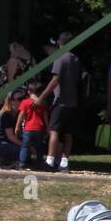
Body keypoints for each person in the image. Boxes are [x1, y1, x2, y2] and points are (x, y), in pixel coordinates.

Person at [40, 32, 81, 171]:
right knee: (68, 133)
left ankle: (50, 160)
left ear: (59, 43)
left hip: (60, 100)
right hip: (72, 101)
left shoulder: (60, 58)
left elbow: (55, 80)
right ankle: (64, 162)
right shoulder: (75, 59)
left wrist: (42, 97)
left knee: (54, 130)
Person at [0, 89, 24, 167]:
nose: (22, 101)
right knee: (22, 151)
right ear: (11, 101)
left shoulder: (15, 114)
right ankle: (1, 161)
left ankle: (7, 163)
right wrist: (24, 145)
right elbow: (11, 137)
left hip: (1, 143)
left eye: (23, 98)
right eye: (20, 99)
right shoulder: (7, 115)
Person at [17, 82, 48, 170]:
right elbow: (45, 116)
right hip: (39, 128)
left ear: (28, 92)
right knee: (39, 147)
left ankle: (22, 164)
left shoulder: (24, 102)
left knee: (25, 146)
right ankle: (39, 163)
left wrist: (17, 126)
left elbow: (21, 115)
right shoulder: (42, 103)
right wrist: (48, 127)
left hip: (28, 128)